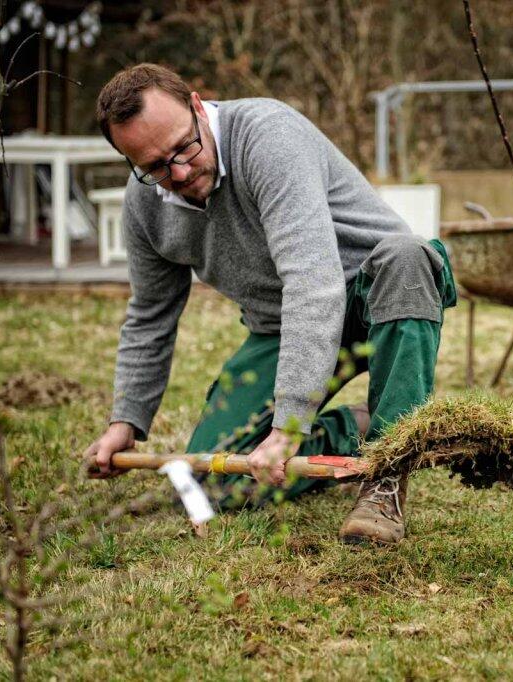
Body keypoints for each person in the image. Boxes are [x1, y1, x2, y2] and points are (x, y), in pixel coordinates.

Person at [82, 63, 455, 545]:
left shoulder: (268, 137)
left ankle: (386, 477)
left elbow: (312, 280)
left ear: (198, 107)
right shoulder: (146, 205)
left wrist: (289, 423)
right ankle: (359, 430)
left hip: (374, 296)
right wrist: (125, 421)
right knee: (207, 481)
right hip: (282, 327)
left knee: (408, 257)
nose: (177, 171)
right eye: (154, 167)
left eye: (184, 147)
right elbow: (151, 315)